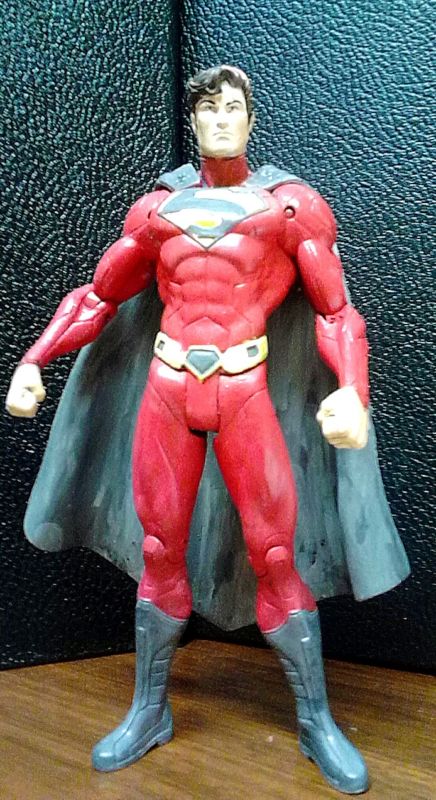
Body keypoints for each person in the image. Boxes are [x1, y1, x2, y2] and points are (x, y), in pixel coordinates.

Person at [6, 65, 408, 794]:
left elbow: (336, 312)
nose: (220, 119)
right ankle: (149, 710)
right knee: (160, 548)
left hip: (245, 389)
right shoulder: (156, 211)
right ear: (192, 121)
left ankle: (315, 720)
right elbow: (99, 297)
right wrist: (34, 359)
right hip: (167, 390)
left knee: (276, 554)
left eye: (233, 108)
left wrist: (354, 391)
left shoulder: (290, 207)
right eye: (208, 109)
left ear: (250, 119)